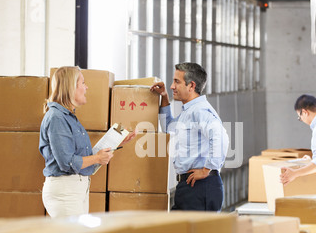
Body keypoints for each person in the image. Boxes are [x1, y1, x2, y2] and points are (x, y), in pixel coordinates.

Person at [39, 66, 134, 218]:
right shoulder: (57, 118)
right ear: (71, 87)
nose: (86, 87)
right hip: (65, 191)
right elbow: (66, 162)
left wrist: (117, 141)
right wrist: (97, 158)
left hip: (76, 189)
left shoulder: (68, 117)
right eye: (83, 83)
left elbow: (84, 157)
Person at [150, 62, 229, 212]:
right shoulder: (188, 111)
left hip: (200, 187)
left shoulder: (200, 111)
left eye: (177, 82)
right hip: (188, 187)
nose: (172, 86)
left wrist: (207, 169)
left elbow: (221, 137)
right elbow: (169, 127)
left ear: (191, 86)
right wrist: (164, 97)